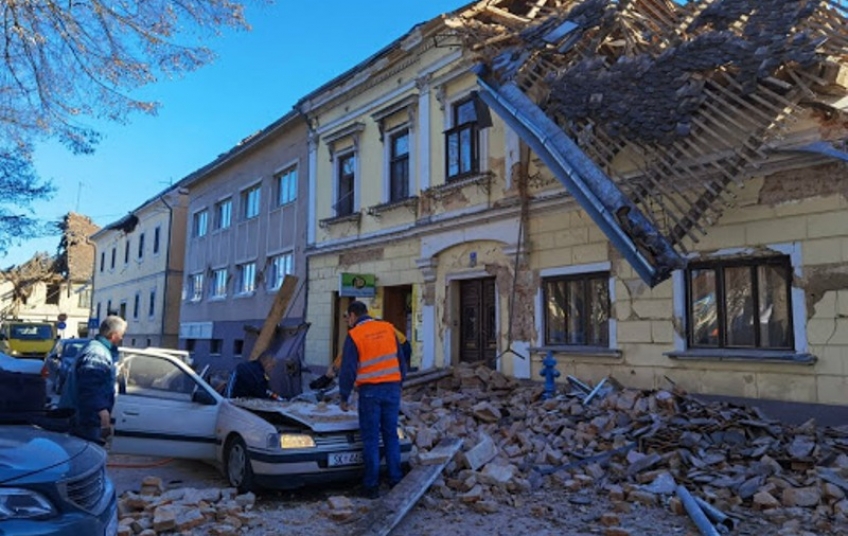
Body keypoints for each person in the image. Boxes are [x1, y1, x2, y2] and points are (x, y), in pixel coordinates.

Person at [338, 301, 406, 499]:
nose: (348, 322)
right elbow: (401, 359)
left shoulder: (354, 335)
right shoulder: (387, 328)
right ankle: (395, 479)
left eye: (347, 318)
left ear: (352, 316)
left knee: (370, 439)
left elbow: (348, 369)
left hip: (370, 392)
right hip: (392, 389)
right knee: (391, 435)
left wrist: (344, 396)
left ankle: (371, 486)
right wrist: (400, 382)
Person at [58, 315, 126, 444]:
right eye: (122, 335)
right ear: (114, 335)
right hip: (84, 419)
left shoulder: (97, 349)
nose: (122, 338)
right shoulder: (97, 353)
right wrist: (102, 412)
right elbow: (89, 386)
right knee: (85, 458)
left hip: (83, 417)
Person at [309, 316, 411, 391]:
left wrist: (333, 370)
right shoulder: (375, 324)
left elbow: (346, 353)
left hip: (402, 346)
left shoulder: (363, 330)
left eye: (348, 321)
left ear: (353, 317)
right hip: (401, 344)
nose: (348, 324)